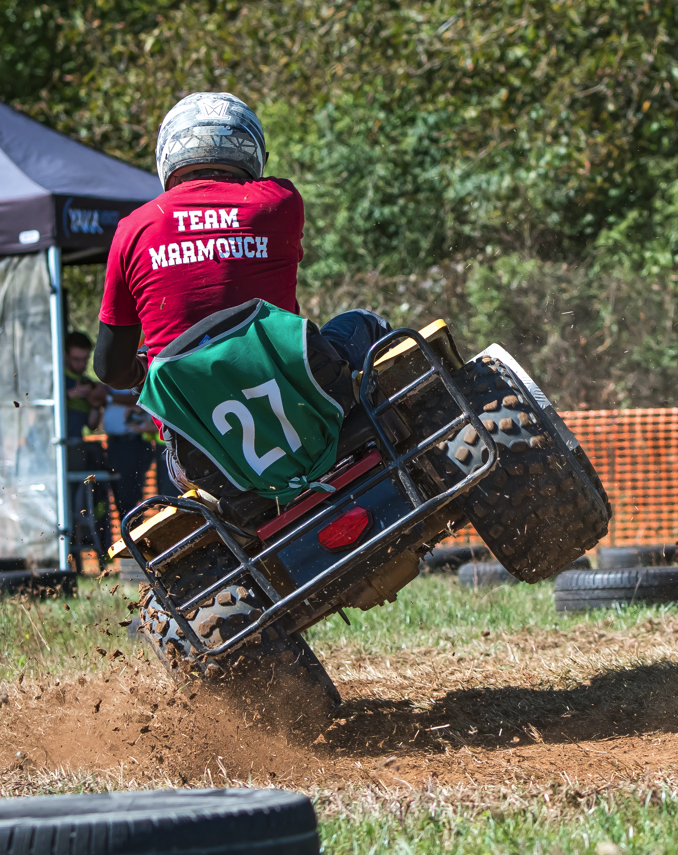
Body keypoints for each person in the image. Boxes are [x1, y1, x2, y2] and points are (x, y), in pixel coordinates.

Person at [93, 92, 391, 498]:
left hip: (200, 457)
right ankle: (404, 456)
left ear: (169, 154)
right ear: (250, 149)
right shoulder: (278, 204)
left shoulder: (134, 228)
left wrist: (148, 367)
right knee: (367, 324)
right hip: (305, 408)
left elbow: (110, 369)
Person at [102, 389, 155, 519]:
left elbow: (138, 397)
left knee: (130, 498)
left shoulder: (133, 376)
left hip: (132, 444)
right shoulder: (107, 383)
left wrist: (108, 396)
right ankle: (128, 532)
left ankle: (134, 534)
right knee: (120, 496)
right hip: (114, 444)